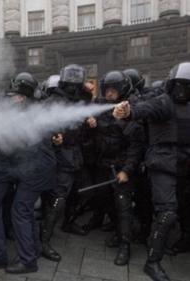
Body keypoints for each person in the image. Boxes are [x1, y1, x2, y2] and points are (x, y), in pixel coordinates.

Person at [0, 72, 56, 274]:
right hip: (27, 167)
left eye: (16, 95)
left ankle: (24, 260)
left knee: (20, 211)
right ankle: (30, 252)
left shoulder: (21, 111)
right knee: (20, 211)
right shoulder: (32, 106)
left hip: (33, 168)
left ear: (23, 95)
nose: (13, 99)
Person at [113, 62, 190, 281]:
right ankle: (153, 262)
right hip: (163, 164)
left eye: (188, 86)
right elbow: (142, 111)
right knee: (166, 213)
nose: (183, 91)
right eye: (179, 85)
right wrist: (127, 111)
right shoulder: (164, 102)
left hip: (184, 165)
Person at [88, 70, 144, 266]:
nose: (109, 94)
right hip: (104, 165)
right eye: (106, 90)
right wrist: (92, 126)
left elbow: (136, 146)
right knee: (105, 199)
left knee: (123, 206)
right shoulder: (102, 108)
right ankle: (118, 232)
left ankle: (124, 246)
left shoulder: (129, 111)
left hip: (121, 167)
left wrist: (127, 170)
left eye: (113, 91)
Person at [40, 64, 93, 262]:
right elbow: (38, 124)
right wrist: (54, 137)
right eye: (69, 81)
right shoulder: (53, 101)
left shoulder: (80, 101)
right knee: (58, 198)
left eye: (75, 81)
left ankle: (68, 222)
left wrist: (90, 123)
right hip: (61, 155)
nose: (72, 85)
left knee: (83, 191)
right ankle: (43, 240)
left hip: (77, 155)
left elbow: (86, 118)